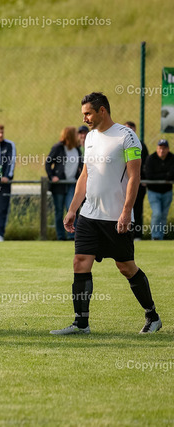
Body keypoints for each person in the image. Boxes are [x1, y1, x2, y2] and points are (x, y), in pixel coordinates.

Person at [51, 92, 162, 335]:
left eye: (88, 113)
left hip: (116, 218)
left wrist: (126, 212)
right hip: (89, 215)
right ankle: (81, 324)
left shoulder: (127, 137)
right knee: (80, 262)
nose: (85, 119)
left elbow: (134, 176)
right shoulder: (89, 137)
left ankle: (152, 315)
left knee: (125, 266)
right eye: (83, 114)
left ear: (102, 110)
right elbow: (85, 174)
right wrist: (73, 209)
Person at [44, 127, 83, 240]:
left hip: (72, 183)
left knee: (72, 209)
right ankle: (60, 236)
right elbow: (48, 163)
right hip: (60, 185)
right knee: (59, 211)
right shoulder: (58, 148)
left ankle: (72, 235)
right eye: (75, 134)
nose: (78, 136)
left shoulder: (77, 149)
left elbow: (81, 165)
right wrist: (52, 176)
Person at [144, 139, 174, 240]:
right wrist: (165, 175)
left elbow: (172, 174)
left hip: (167, 192)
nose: (162, 151)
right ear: (157, 149)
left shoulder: (172, 158)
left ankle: (160, 237)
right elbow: (149, 176)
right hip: (153, 192)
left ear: (168, 149)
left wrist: (160, 176)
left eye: (164, 148)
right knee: (157, 214)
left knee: (164, 215)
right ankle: (155, 236)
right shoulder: (150, 159)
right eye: (160, 148)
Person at [124, 121, 148, 239]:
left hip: (138, 183)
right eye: (127, 128)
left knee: (137, 209)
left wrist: (143, 179)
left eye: (131, 128)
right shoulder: (121, 144)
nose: (129, 131)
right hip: (124, 183)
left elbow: (145, 164)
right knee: (124, 209)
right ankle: (124, 233)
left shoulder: (141, 145)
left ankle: (137, 234)